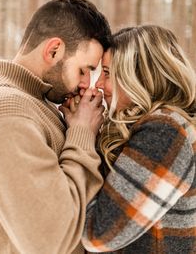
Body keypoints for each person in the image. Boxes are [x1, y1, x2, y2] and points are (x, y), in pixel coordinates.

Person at [0, 0, 112, 254]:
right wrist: (81, 133)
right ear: (54, 50)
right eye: (83, 70)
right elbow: (50, 241)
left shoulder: (35, 103)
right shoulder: (7, 110)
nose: (85, 84)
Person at [79, 25, 196, 253]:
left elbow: (99, 234)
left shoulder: (166, 132)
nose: (99, 85)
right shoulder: (152, 127)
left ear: (139, 76)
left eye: (107, 73)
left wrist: (81, 133)